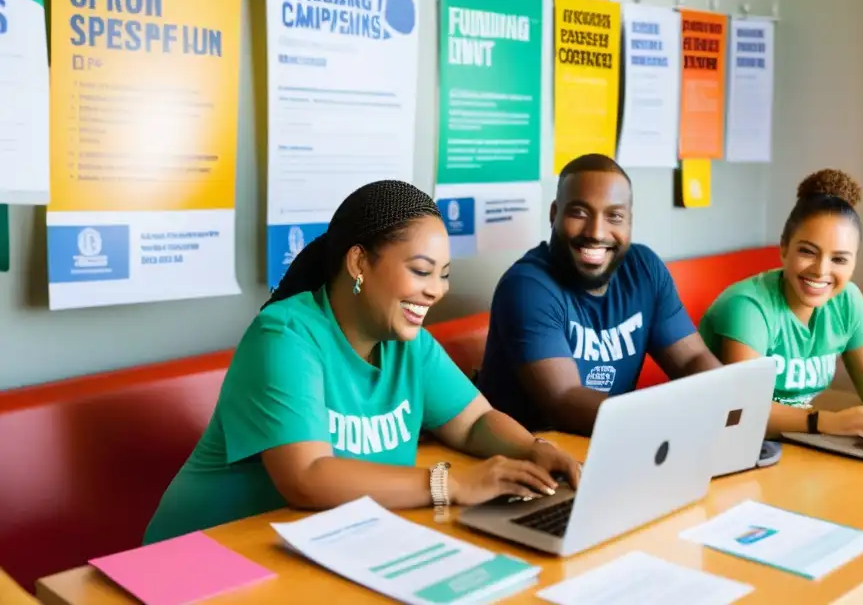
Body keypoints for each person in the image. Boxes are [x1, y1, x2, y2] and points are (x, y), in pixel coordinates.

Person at [144, 180, 579, 544]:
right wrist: (454, 484)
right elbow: (306, 476)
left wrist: (534, 451)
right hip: (202, 555)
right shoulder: (285, 337)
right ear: (358, 263)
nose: (437, 291)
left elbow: (474, 421)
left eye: (443, 275)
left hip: (317, 545)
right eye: (421, 271)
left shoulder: (410, 344)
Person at [475, 153, 721, 435]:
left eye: (614, 216)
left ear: (629, 222)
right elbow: (563, 400)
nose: (596, 232)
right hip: (529, 455)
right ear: (555, 215)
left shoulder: (644, 269)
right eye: (579, 213)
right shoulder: (527, 286)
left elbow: (692, 358)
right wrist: (664, 422)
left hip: (614, 445)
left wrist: (728, 401)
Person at [698, 169, 863, 440]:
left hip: (790, 445)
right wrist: (827, 421)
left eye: (839, 259)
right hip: (719, 444)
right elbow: (742, 412)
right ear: (784, 248)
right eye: (807, 251)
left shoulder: (847, 301)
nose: (820, 270)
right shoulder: (747, 307)